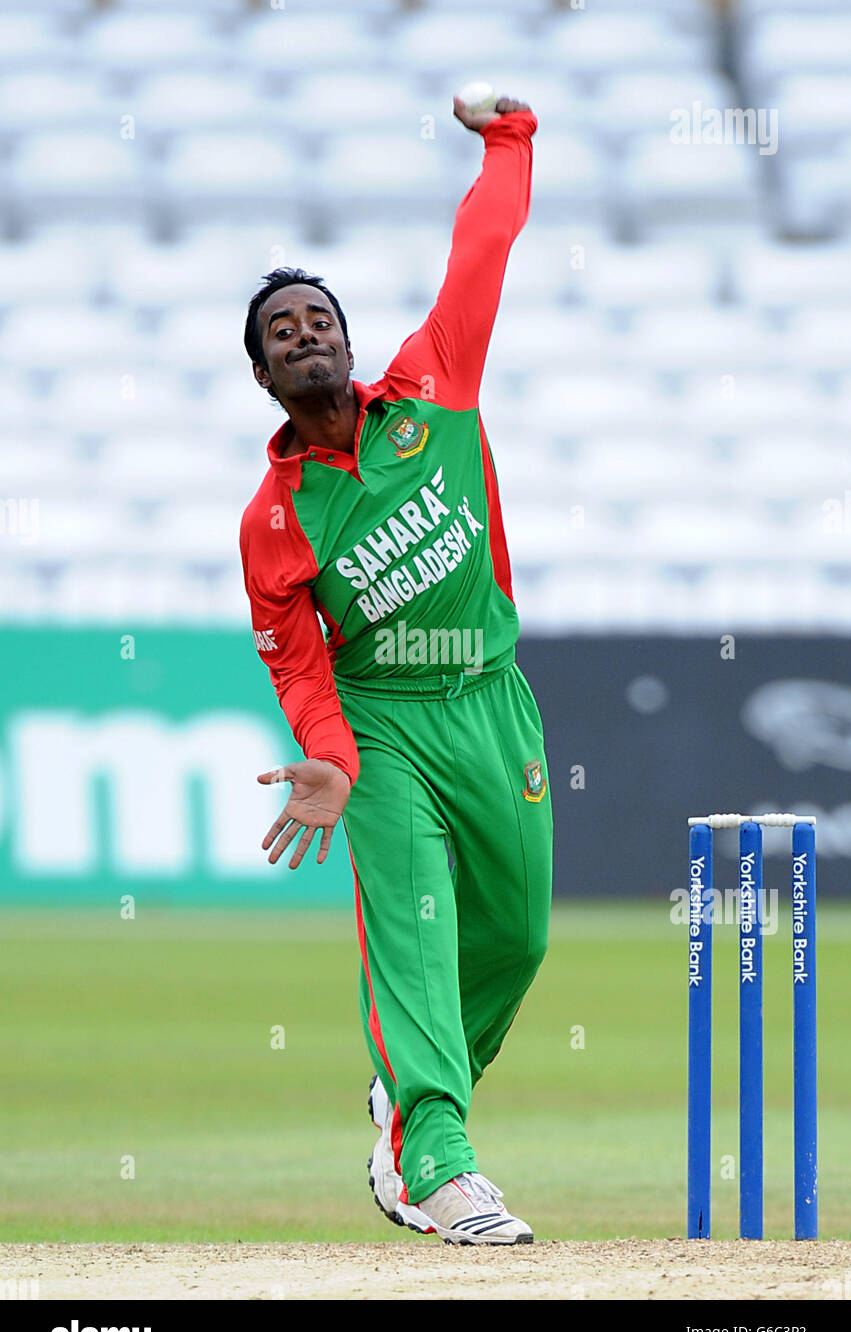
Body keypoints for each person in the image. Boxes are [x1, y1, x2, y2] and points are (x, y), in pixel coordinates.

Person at [239, 95, 552, 1245]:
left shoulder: (435, 385)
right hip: (386, 730)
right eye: (280, 331)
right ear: (265, 379)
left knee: (515, 938)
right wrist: (329, 756)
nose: (303, 332)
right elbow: (299, 663)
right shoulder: (274, 518)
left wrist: (509, 137)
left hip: (490, 697)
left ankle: (408, 1099)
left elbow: (485, 243)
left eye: (316, 316)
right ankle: (438, 1157)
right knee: (415, 931)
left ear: (348, 338)